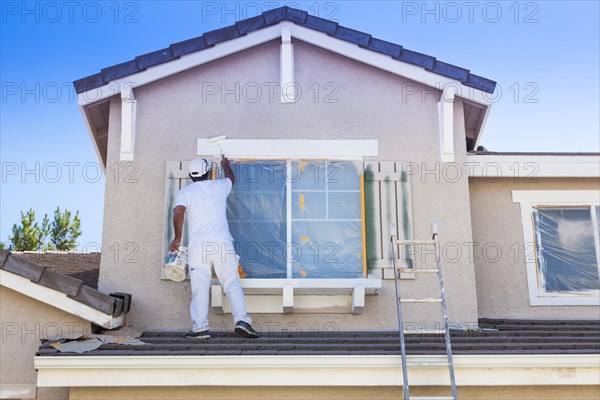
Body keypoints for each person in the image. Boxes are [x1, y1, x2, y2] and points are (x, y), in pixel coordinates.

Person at [170, 156, 258, 339]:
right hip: (222, 244)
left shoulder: (186, 192)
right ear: (208, 172)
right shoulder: (219, 186)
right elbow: (231, 179)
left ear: (190, 175)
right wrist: (226, 165)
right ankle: (242, 321)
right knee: (231, 282)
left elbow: (178, 212)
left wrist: (177, 237)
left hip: (198, 247)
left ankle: (200, 328)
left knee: (200, 287)